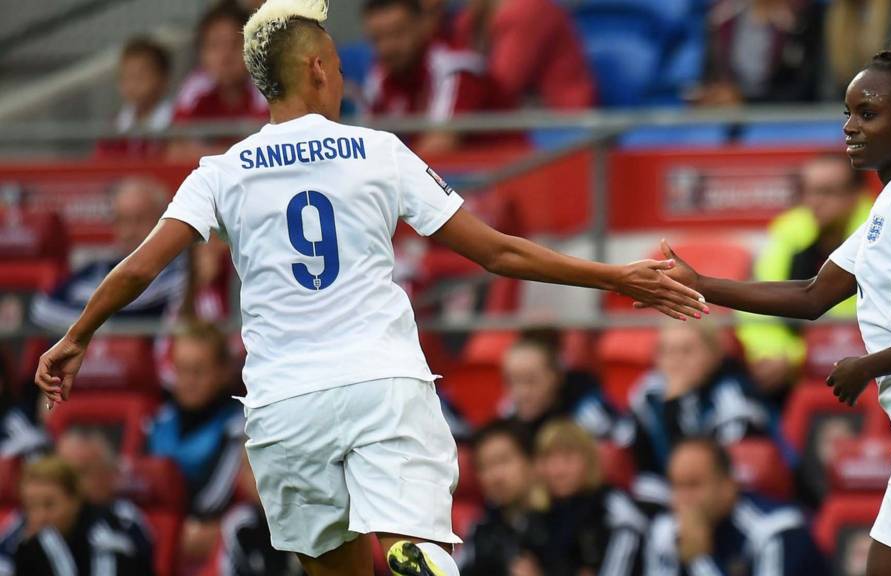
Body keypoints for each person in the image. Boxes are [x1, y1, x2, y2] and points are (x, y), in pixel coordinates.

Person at [33, 1, 707, 575]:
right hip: (382, 384)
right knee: (415, 543)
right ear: (319, 69)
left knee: (333, 563)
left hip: (285, 401)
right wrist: (615, 275)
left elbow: (137, 269)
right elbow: (497, 252)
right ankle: (417, 556)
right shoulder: (377, 150)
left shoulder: (220, 171)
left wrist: (76, 336)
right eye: (338, 63)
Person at [649, 43, 891, 575]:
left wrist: (865, 366)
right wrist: (700, 283)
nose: (849, 125)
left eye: (867, 113)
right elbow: (812, 295)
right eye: (848, 112)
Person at [735, 153, 872, 412]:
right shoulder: (788, 231)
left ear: (856, 195)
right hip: (794, 376)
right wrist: (777, 356)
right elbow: (760, 307)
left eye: (827, 192)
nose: (815, 202)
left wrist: (797, 359)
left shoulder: (879, 233)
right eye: (808, 192)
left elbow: (854, 322)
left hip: (867, 371)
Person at [626, 321, 769, 510]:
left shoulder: (735, 399)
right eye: (666, 351)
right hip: (667, 497)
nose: (675, 360)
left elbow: (716, 471)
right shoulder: (648, 393)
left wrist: (674, 409)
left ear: (714, 354)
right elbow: (642, 464)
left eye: (687, 351)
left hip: (724, 500)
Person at [642, 438, 827, 576]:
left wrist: (700, 559)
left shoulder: (776, 531)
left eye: (693, 485)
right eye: (676, 486)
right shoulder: (666, 531)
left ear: (728, 486)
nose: (683, 500)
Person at [29, 177, 186, 332]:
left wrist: (88, 324)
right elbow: (42, 307)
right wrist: (97, 326)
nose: (129, 231)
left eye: (139, 220)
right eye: (122, 220)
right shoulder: (94, 270)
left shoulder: (180, 274)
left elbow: (141, 309)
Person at [148, 321, 244, 566]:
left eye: (198, 371)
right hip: (165, 522)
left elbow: (213, 498)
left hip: (203, 527)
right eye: (182, 370)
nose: (189, 381)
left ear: (223, 372)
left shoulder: (236, 425)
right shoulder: (159, 421)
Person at [362, 0, 513, 155]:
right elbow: (366, 143)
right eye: (377, 38)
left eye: (397, 34)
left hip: (514, 171)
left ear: (423, 26)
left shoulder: (457, 68)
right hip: (446, 176)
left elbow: (437, 147)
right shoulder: (380, 74)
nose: (387, 47)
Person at [531, 420, 646, 576]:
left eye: (568, 457)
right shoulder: (537, 520)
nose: (558, 470)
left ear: (589, 459)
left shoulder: (612, 506)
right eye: (549, 459)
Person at [13, 456, 152, 575]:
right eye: (30, 506)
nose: (40, 516)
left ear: (74, 500)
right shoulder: (30, 545)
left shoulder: (107, 536)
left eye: (49, 505)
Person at [169, 0, 270, 160]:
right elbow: (175, 150)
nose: (225, 57)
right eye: (214, 46)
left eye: (235, 44)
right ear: (201, 53)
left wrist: (203, 153)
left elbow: (267, 151)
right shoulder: (194, 87)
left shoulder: (268, 83)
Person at [454, 0, 595, 109]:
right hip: (517, 113)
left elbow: (502, 88)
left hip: (564, 125)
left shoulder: (530, 10)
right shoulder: (472, 15)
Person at [458, 420, 547, 576]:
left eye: (503, 460)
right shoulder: (481, 531)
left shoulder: (566, 520)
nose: (495, 476)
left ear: (531, 461)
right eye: (484, 466)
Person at [692, 0, 820, 106]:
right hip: (728, 113)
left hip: (781, 117)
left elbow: (803, 89)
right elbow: (710, 76)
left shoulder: (802, 23)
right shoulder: (721, 20)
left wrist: (744, 100)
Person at [500, 332, 620, 442]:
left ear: (556, 377)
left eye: (530, 381)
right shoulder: (508, 415)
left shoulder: (589, 412)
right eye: (511, 382)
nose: (521, 393)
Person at [218, 449, 305, 576]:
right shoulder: (241, 527)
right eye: (251, 468)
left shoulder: (306, 515)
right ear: (241, 477)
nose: (260, 478)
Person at [95, 37, 175, 158]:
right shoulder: (114, 126)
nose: (132, 84)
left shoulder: (177, 122)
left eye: (140, 76)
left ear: (163, 79)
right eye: (125, 77)